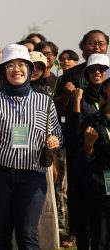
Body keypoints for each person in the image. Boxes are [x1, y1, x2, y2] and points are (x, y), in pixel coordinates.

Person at [0, 44, 62, 249]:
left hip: (32, 177)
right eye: (10, 65)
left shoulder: (44, 102)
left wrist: (53, 141)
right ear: (3, 71)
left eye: (21, 64)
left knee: (27, 235)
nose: (16, 69)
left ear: (29, 70)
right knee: (0, 235)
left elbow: (57, 133)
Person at [65, 53, 109, 249]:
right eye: (93, 69)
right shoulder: (82, 99)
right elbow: (75, 136)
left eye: (102, 69)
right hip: (91, 172)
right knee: (91, 218)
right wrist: (75, 102)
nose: (97, 73)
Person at [80, 69, 110, 250]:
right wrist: (89, 145)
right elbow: (84, 158)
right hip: (102, 181)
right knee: (102, 233)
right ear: (106, 88)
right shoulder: (93, 121)